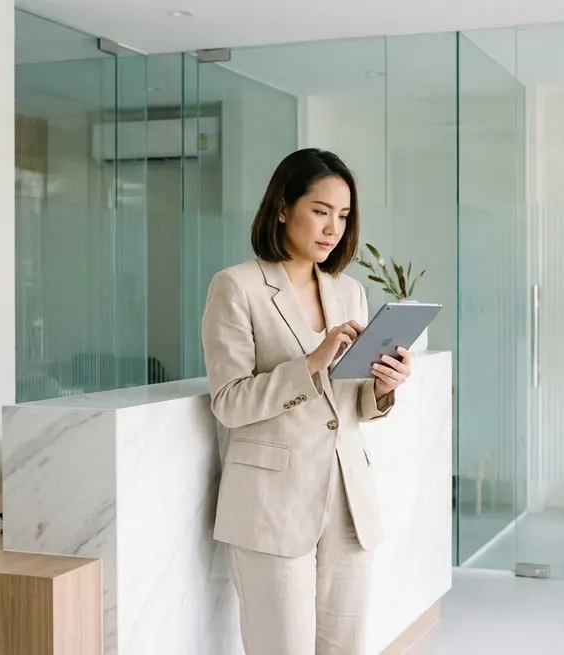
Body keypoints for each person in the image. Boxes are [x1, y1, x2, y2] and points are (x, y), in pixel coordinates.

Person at [201, 148, 413, 655]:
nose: (332, 228)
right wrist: (312, 360)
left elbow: (350, 403)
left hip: (347, 502)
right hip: (273, 505)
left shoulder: (349, 292)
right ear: (281, 207)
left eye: (343, 216)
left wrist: (383, 388)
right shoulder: (237, 287)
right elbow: (229, 401)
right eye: (320, 211)